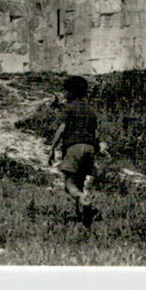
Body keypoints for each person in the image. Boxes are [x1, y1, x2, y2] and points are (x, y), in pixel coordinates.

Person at [47, 74, 100, 226]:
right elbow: (96, 133)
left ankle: (83, 198)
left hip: (74, 147)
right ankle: (82, 217)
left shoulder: (68, 108)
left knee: (69, 184)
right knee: (81, 182)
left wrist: (52, 149)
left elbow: (62, 129)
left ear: (69, 92)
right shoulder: (91, 110)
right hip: (89, 147)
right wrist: (97, 148)